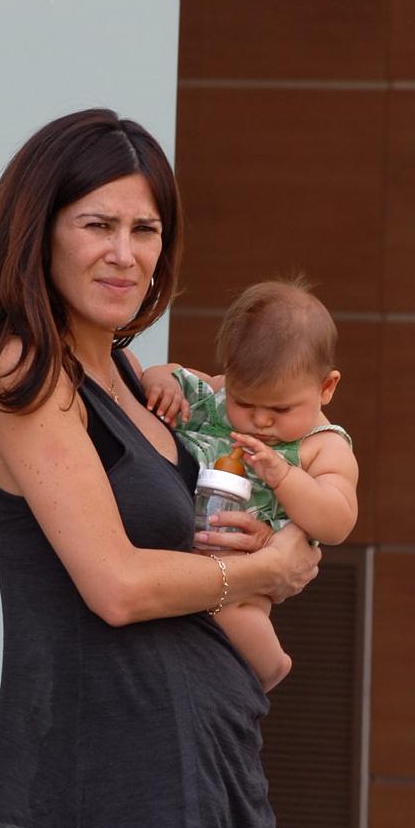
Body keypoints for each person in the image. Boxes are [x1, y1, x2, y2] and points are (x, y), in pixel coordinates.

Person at [0, 109, 320, 828]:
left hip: (207, 760)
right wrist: (263, 566)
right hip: (129, 776)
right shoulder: (23, 374)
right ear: (40, 232)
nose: (125, 254)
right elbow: (116, 586)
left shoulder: (125, 374)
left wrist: (238, 545)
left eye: (145, 230)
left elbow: (181, 556)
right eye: (97, 225)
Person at [141, 279, 359, 692]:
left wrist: (285, 477)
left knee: (236, 616)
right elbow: (171, 371)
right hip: (187, 550)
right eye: (245, 403)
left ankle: (271, 666)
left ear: (326, 388)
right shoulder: (222, 395)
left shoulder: (320, 446)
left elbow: (337, 520)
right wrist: (162, 384)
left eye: (280, 409)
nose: (260, 421)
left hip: (245, 570)